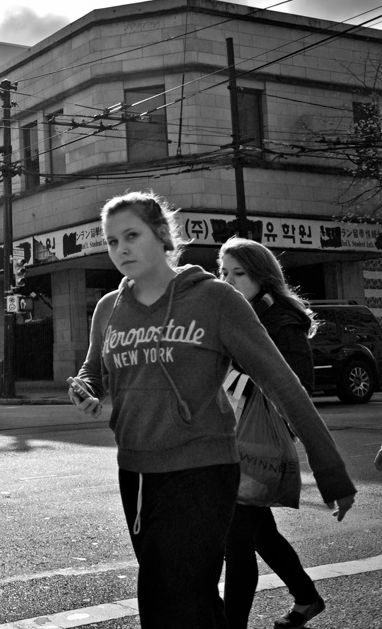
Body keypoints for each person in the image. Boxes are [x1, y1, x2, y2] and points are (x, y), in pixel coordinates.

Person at [68, 191, 356, 629]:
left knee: (173, 595)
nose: (121, 249)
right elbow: (93, 368)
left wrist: (330, 469)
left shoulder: (216, 300)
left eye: (131, 235)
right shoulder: (109, 308)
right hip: (138, 472)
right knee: (180, 596)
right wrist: (84, 387)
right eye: (111, 241)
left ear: (163, 235)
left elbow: (283, 383)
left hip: (205, 467)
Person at [219, 237, 356, 629]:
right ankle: (307, 597)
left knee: (237, 541)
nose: (228, 281)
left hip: (261, 438)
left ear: (261, 276)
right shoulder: (232, 314)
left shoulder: (280, 320)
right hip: (231, 435)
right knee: (257, 530)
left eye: (238, 273)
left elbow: (299, 387)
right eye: (223, 272)